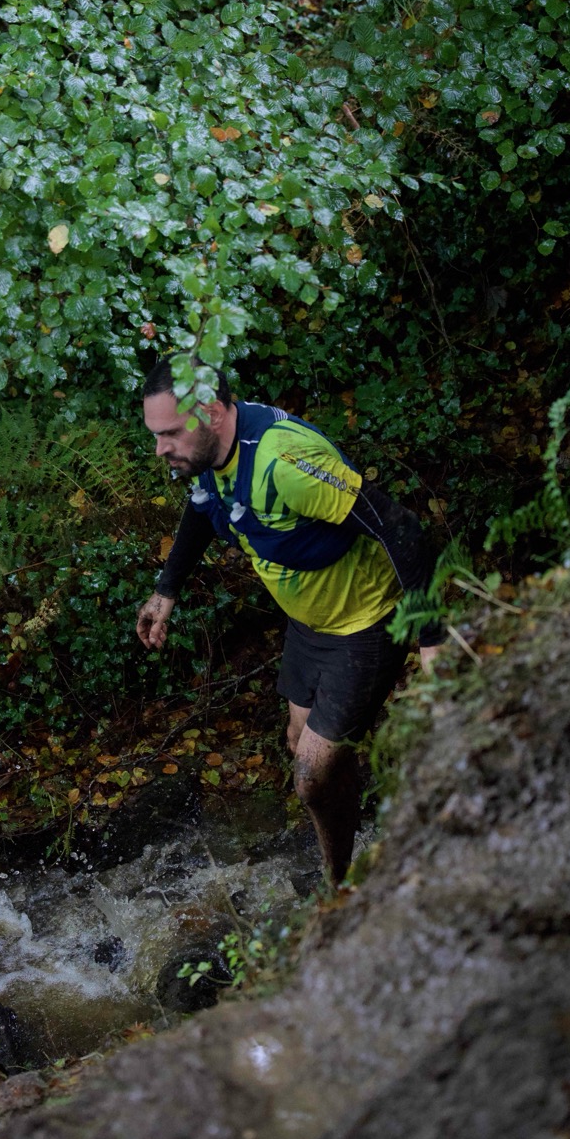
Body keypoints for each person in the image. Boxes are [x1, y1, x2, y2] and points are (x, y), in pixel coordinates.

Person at [136, 357, 444, 886]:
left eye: (169, 434)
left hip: (365, 622)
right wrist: (167, 590)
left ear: (212, 413)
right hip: (309, 625)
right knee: (298, 741)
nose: (161, 449)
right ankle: (364, 825)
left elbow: (401, 527)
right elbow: (204, 508)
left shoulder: (287, 464)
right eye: (156, 434)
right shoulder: (206, 454)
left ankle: (338, 885)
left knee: (310, 777)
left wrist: (431, 636)